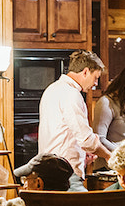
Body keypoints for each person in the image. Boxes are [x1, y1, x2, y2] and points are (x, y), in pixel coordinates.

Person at [38, 49, 111, 180]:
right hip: (65, 172)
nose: (95, 84)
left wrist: (83, 153)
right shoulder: (71, 94)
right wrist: (108, 156)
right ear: (85, 72)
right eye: (96, 78)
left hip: (48, 169)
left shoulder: (52, 89)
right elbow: (86, 140)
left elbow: (63, 132)